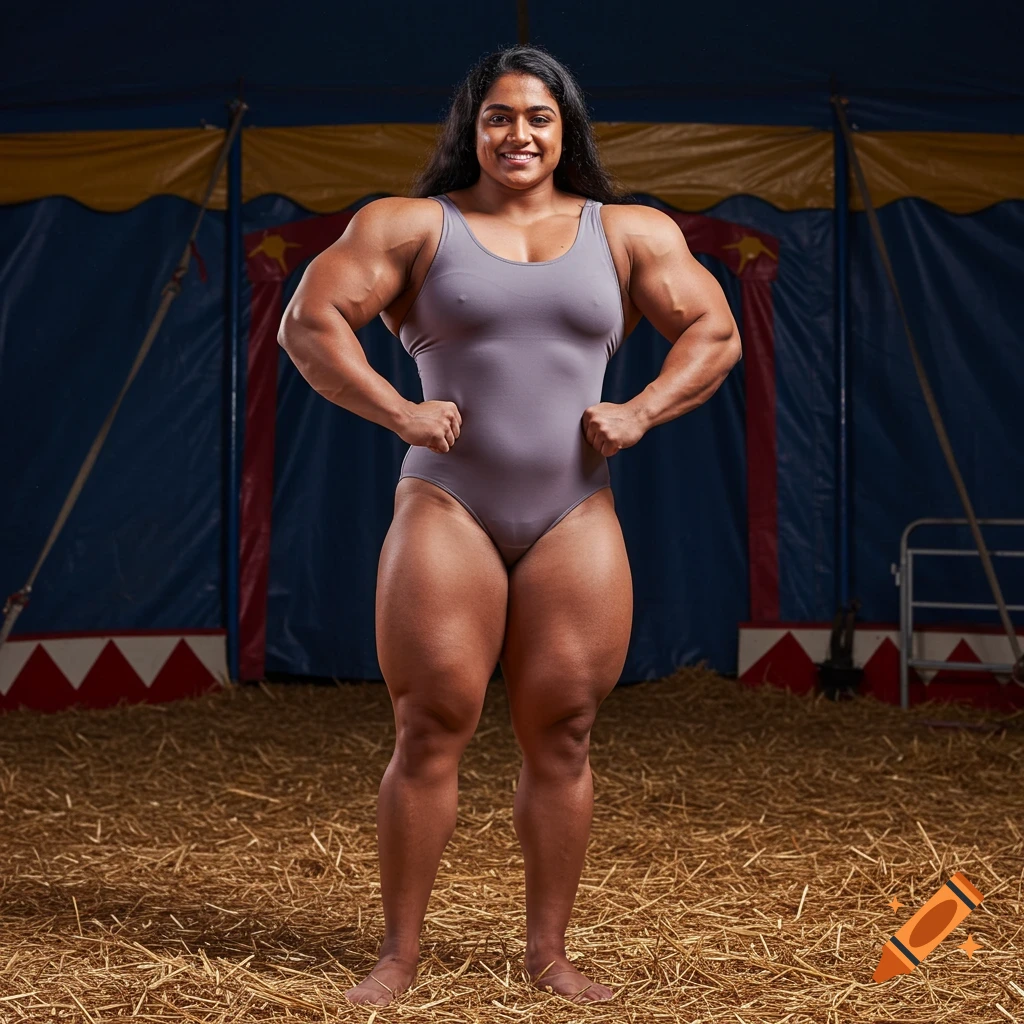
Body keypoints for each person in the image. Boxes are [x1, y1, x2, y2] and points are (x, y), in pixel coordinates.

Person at [278, 44, 741, 1006]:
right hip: (448, 504)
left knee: (564, 730)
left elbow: (714, 331)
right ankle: (399, 955)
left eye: (537, 116)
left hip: (575, 510)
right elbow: (310, 322)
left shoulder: (626, 231)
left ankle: (548, 955)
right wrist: (397, 412)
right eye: (498, 116)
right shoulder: (409, 225)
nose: (517, 133)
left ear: (565, 129)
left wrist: (643, 409)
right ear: (471, 128)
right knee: (430, 720)